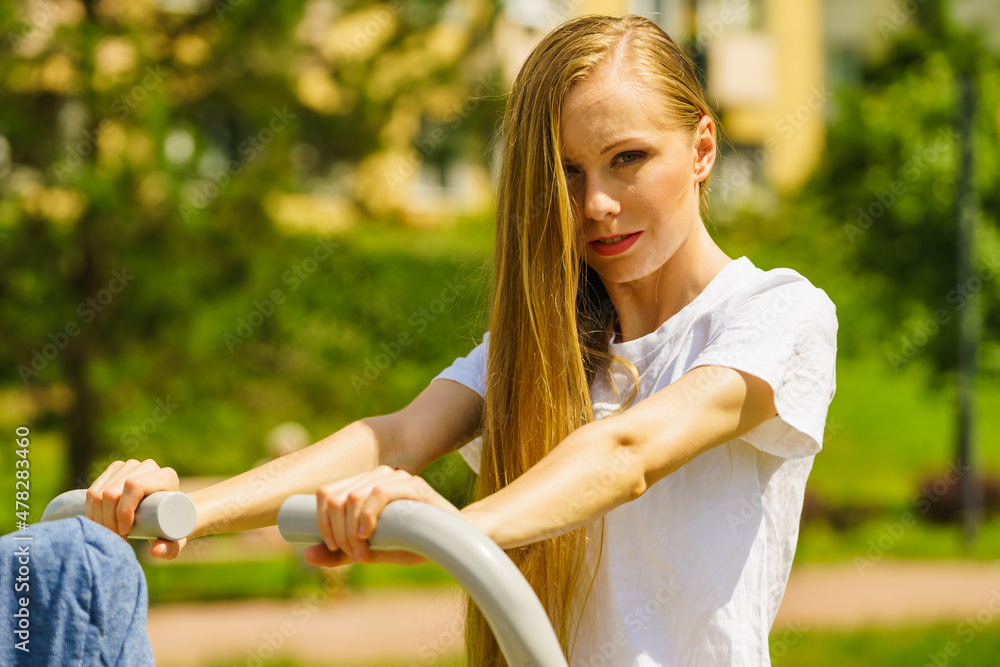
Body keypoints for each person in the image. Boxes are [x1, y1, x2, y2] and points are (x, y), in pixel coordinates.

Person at [78, 14, 836, 667]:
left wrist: (454, 534)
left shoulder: (776, 314)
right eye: (566, 172)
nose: (597, 204)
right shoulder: (549, 341)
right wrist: (192, 508)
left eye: (628, 159)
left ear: (702, 148)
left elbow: (630, 453)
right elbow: (395, 436)